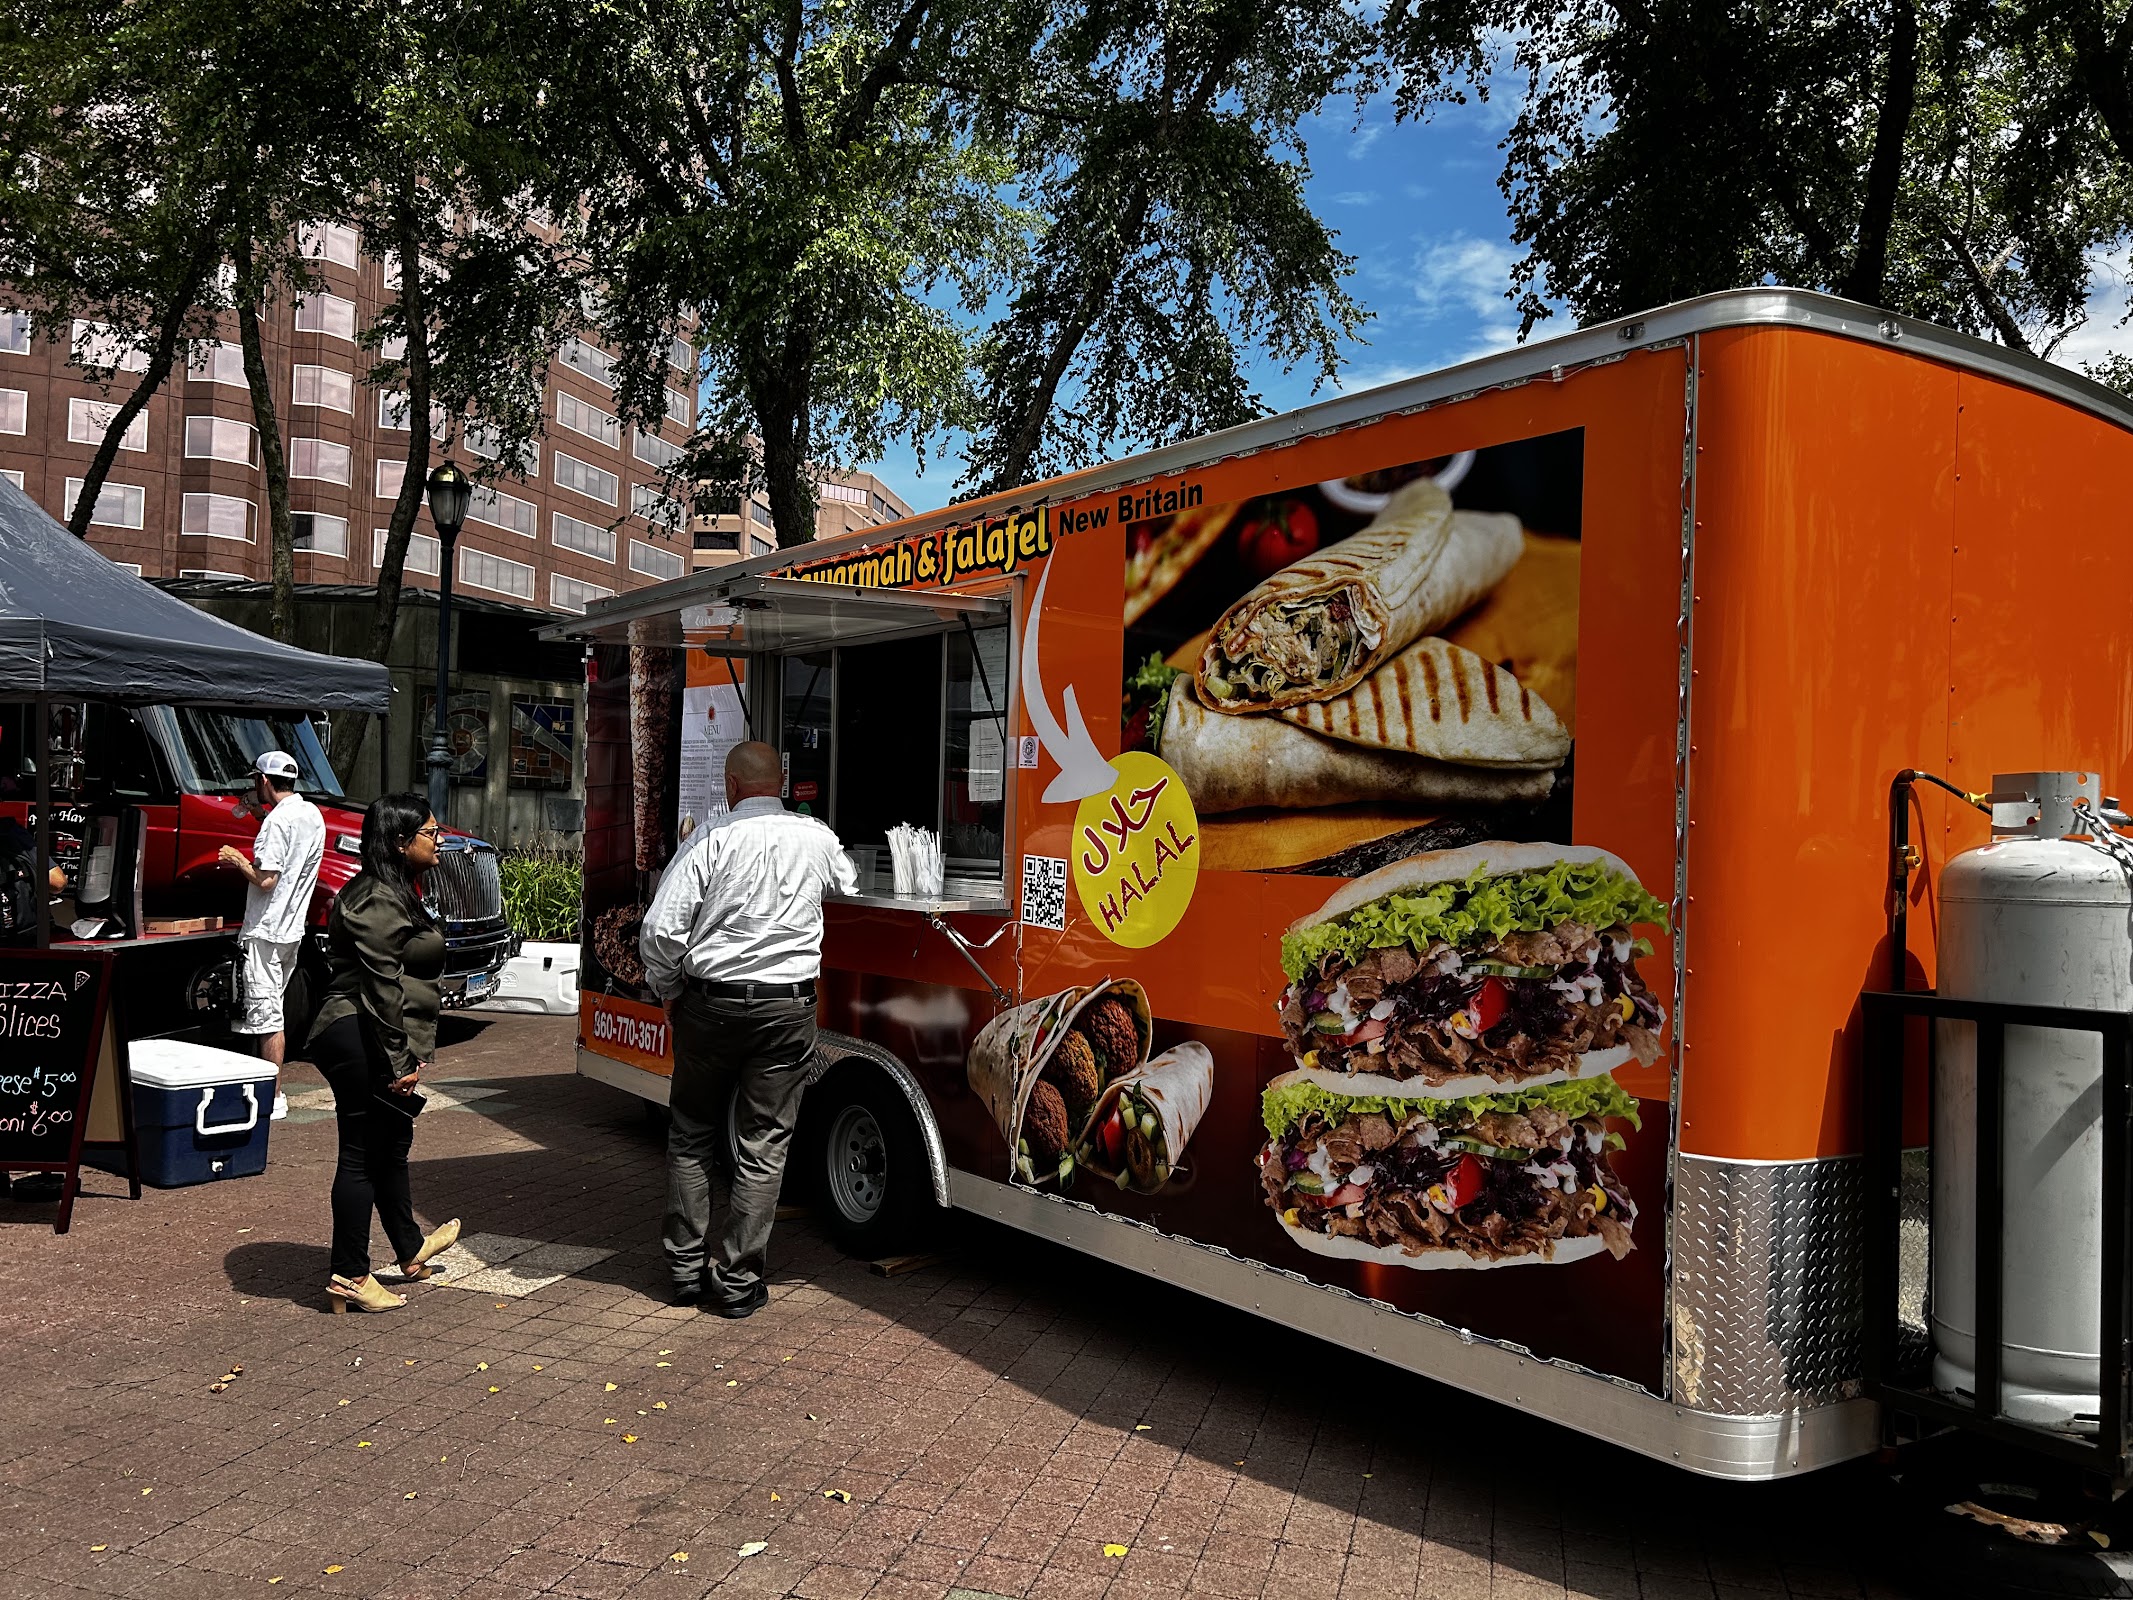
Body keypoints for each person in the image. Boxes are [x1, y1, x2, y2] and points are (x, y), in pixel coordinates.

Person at [640, 740, 858, 1316]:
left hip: (709, 1007)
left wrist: (668, 991)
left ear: (731, 786)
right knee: (764, 1144)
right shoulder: (816, 838)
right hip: (787, 1010)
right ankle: (738, 1282)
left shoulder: (710, 838)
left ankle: (685, 1271)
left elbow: (660, 931)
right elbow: (849, 883)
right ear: (780, 784)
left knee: (692, 1134)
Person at [305, 794, 461, 1313]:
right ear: (399, 841)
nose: (439, 840)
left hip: (372, 1032)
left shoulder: (393, 892)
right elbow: (381, 985)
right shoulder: (374, 898)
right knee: (361, 1153)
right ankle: (350, 1275)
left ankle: (409, 1249)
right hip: (358, 1030)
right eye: (430, 833)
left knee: (391, 1140)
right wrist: (399, 1060)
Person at [217, 751, 326, 1068]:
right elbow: (290, 845)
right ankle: (267, 1086)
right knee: (272, 1007)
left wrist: (237, 858)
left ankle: (272, 1090)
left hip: (265, 932)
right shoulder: (310, 814)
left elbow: (266, 880)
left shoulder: (277, 822)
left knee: (267, 1018)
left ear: (263, 780)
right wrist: (259, 815)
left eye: (256, 780)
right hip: (290, 930)